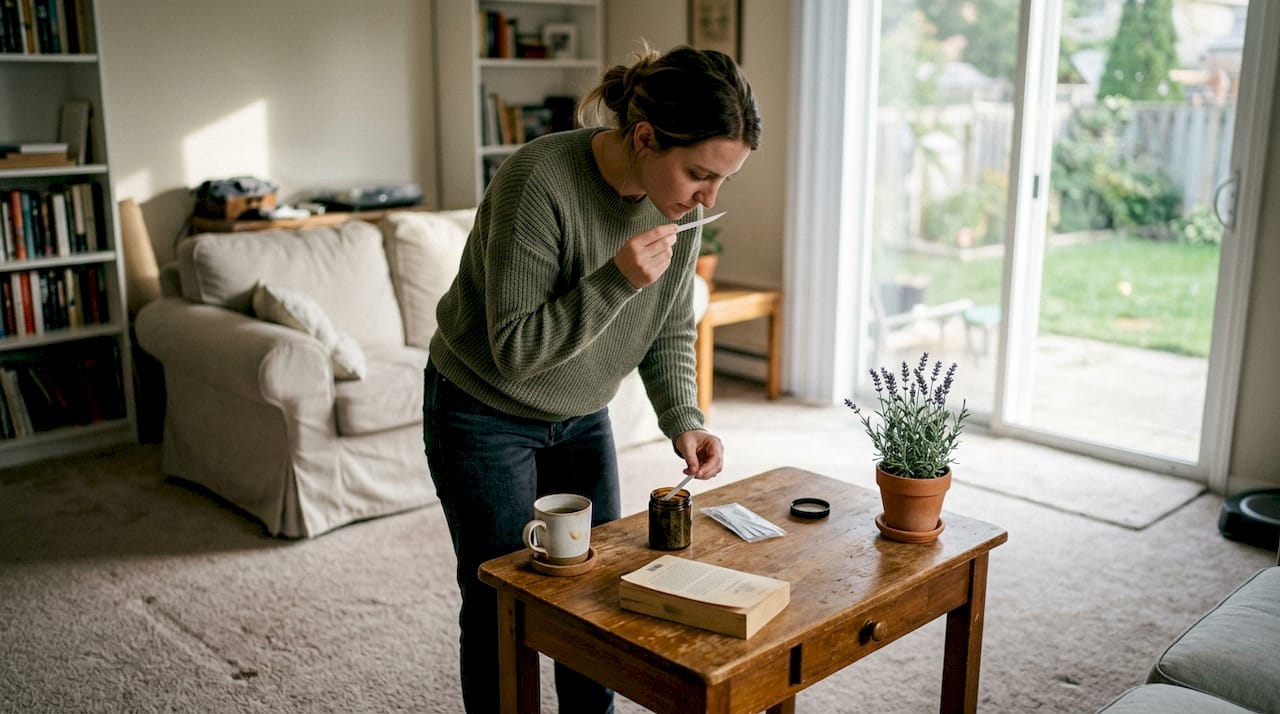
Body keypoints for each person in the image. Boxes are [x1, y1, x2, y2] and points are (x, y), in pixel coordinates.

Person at [423, 43, 762, 713]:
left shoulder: (682, 213)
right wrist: (616, 280)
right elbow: (516, 350)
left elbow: (667, 327)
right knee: (499, 598)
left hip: (582, 414)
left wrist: (684, 419)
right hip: (483, 411)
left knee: (597, 595)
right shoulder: (538, 180)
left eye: (723, 180)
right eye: (698, 173)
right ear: (644, 137)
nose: (707, 198)